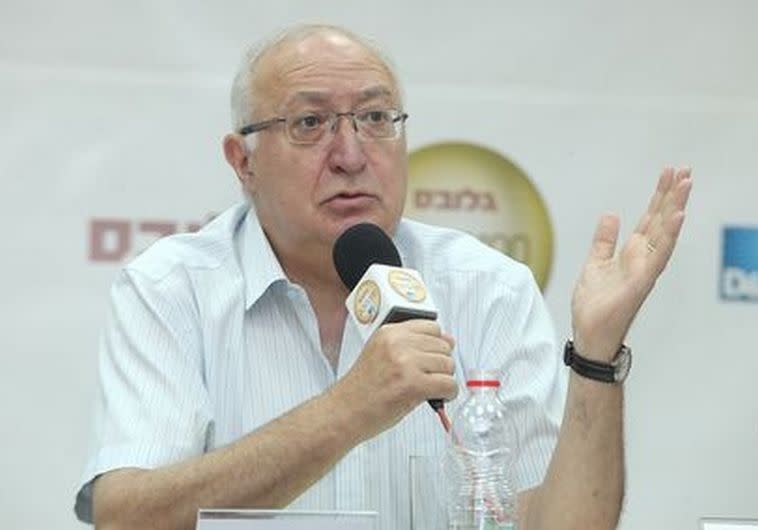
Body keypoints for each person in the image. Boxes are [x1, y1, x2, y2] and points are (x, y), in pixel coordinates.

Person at [75, 23, 693, 530]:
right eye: (310, 123)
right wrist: (350, 409)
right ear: (244, 161)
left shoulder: (488, 287)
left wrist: (595, 358)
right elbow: (127, 517)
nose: (351, 155)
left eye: (375, 118)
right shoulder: (171, 289)